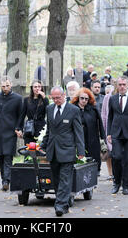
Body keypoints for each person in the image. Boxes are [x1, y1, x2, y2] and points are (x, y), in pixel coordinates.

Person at [40, 86, 85, 216]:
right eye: (53, 98)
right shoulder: (49, 109)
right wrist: (43, 145)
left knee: (65, 179)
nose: (56, 100)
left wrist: (80, 150)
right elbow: (49, 130)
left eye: (58, 98)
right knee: (56, 180)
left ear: (64, 95)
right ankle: (64, 204)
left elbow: (78, 132)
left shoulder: (73, 110)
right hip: (52, 150)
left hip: (67, 150)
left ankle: (59, 205)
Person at [0, 76, 23, 191]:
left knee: (8, 155)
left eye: (7, 86)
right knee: (1, 156)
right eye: (3, 86)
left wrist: (19, 128)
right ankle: (4, 178)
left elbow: (20, 116)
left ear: (11, 84)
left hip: (11, 131)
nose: (5, 88)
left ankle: (6, 180)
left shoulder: (17, 99)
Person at [71, 88, 105, 174]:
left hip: (91, 137)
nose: (84, 100)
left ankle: (94, 171)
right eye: (82, 98)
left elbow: (99, 122)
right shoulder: (73, 109)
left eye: (86, 99)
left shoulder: (93, 109)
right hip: (77, 137)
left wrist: (102, 136)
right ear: (78, 98)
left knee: (93, 155)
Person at [16, 80, 49, 146]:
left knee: (40, 149)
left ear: (42, 88)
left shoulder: (44, 100)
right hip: (30, 127)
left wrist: (44, 98)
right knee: (29, 149)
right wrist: (19, 128)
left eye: (39, 87)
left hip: (41, 127)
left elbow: (48, 111)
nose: (37, 88)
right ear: (32, 88)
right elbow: (22, 115)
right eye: (35, 87)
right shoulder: (26, 100)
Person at [101, 84, 115, 181]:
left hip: (120, 128)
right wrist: (104, 129)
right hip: (109, 127)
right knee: (109, 152)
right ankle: (110, 173)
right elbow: (104, 114)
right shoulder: (107, 97)